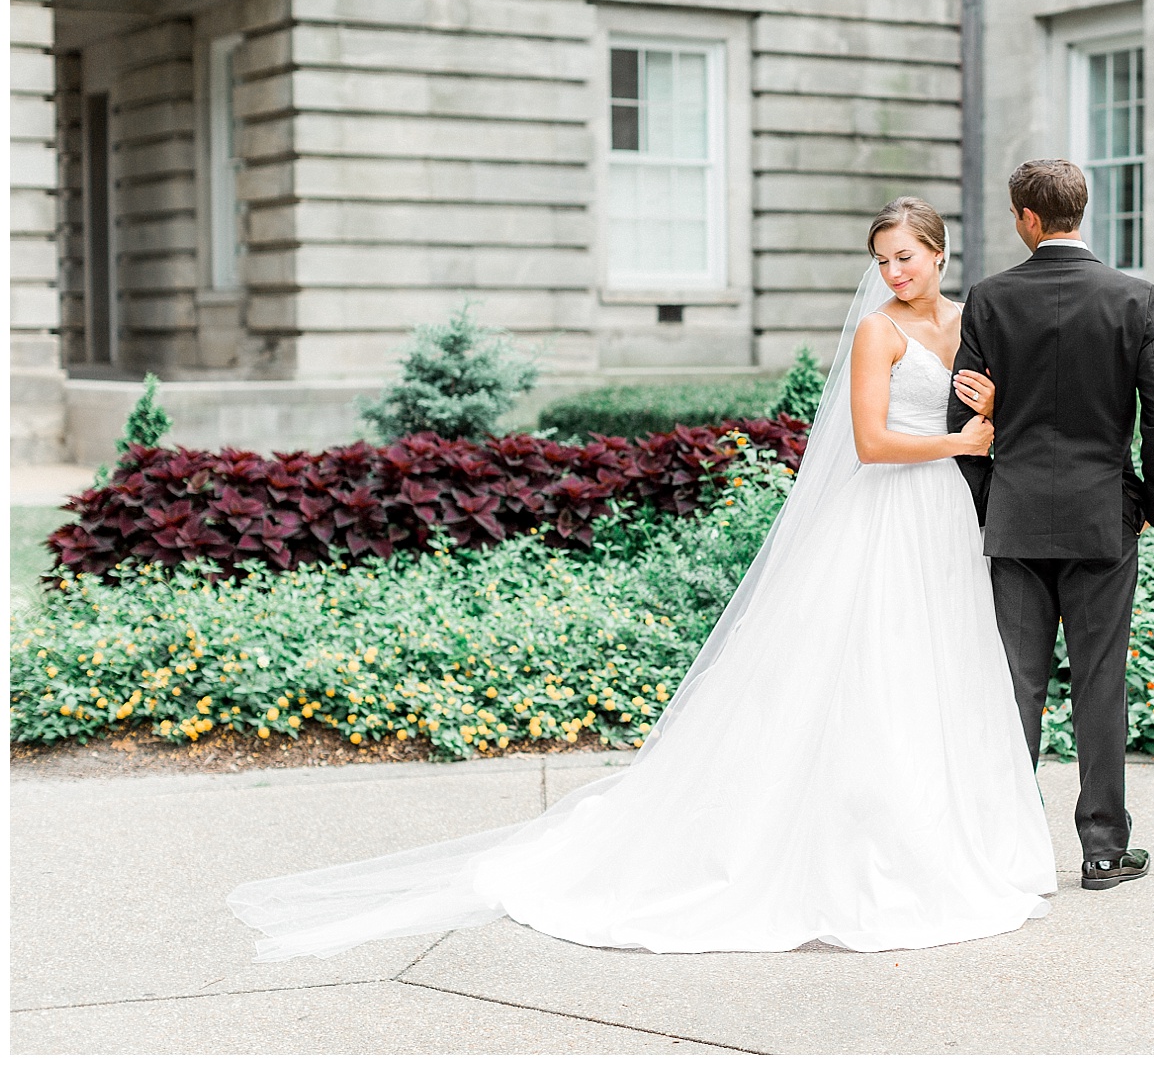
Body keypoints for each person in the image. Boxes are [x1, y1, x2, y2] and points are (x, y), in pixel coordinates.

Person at [227, 197, 1057, 960]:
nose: (893, 273)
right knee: (867, 670)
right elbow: (873, 442)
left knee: (938, 670)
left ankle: (944, 836)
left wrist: (979, 413)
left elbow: (982, 416)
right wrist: (960, 442)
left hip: (943, 519)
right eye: (882, 260)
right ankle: (859, 843)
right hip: (881, 515)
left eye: (906, 257)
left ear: (940, 254)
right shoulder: (879, 331)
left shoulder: (965, 320)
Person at [947, 158, 1154, 891]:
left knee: (1017, 685)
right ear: (1083, 210)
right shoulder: (1133, 297)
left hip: (1016, 518)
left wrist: (993, 497)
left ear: (1025, 217)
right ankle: (1105, 851)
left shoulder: (988, 300)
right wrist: (1149, 502)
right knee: (1100, 680)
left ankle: (1006, 853)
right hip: (1103, 518)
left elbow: (960, 418)